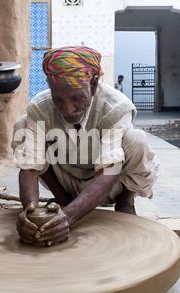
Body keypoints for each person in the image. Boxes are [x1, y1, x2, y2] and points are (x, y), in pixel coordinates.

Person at [12, 46, 159, 247]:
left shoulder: (115, 107)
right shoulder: (41, 107)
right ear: (49, 85)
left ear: (94, 82)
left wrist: (69, 217)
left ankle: (126, 200)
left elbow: (110, 170)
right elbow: (30, 166)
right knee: (23, 126)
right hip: (66, 179)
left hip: (110, 185)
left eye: (76, 98)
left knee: (136, 140)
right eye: (58, 100)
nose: (67, 109)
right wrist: (29, 209)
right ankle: (62, 199)